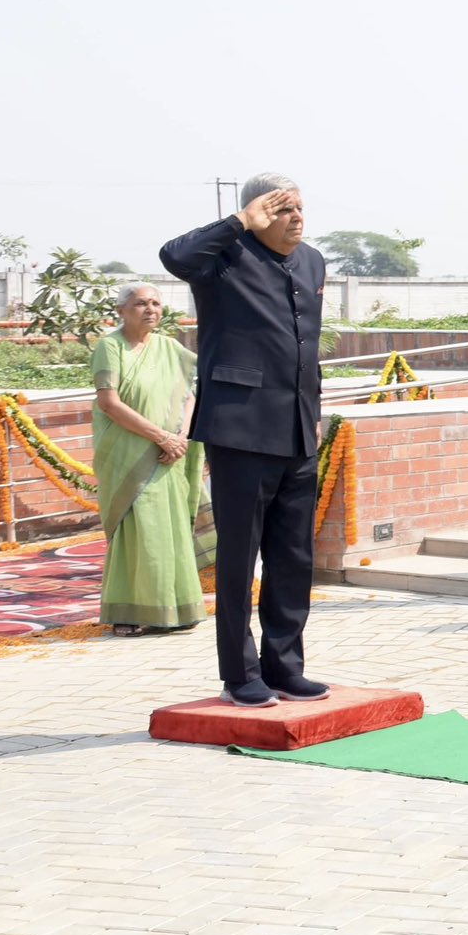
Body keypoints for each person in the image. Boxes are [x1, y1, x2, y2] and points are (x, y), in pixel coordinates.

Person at [159, 174, 329, 708]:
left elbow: (306, 345)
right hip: (240, 428)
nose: (296, 217)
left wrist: (315, 413)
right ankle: (241, 674)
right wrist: (239, 222)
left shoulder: (313, 262)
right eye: (282, 209)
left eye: (300, 207)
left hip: (300, 426)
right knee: (239, 558)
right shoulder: (222, 257)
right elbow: (173, 256)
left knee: (294, 556)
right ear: (257, 212)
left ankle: (286, 667)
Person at [90, 283, 210, 635]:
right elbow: (109, 403)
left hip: (169, 454)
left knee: (169, 529)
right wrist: (160, 437)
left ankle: (175, 609)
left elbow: (190, 394)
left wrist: (180, 437)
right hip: (129, 453)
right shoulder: (110, 347)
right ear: (121, 311)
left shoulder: (170, 348)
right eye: (140, 303)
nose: (150, 309)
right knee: (137, 530)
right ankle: (129, 611)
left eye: (156, 303)